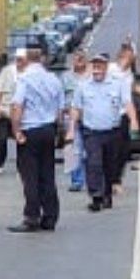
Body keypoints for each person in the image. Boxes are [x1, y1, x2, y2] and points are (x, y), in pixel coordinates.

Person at [8, 45, 64, 232]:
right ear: (42, 59)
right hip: (48, 129)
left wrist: (16, 130)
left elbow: (17, 106)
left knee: (30, 175)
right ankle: (50, 216)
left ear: (26, 60)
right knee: (47, 173)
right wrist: (57, 130)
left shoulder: (24, 79)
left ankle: (32, 216)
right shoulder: (53, 79)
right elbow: (60, 110)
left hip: (30, 130)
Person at [71, 52, 136, 210]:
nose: (97, 70)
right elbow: (76, 108)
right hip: (92, 131)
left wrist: (134, 121)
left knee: (109, 165)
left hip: (112, 131)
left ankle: (107, 195)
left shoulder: (117, 84)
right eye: (95, 66)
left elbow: (127, 103)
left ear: (106, 67)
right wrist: (71, 129)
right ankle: (96, 196)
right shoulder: (83, 85)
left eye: (100, 66)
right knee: (93, 163)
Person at [0, 49, 26, 174]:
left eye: (22, 60)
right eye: (18, 59)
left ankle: (22, 164)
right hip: (5, 109)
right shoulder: (6, 71)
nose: (19, 62)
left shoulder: (28, 72)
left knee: (21, 139)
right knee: (2, 139)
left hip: (22, 111)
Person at [109, 43, 137, 193]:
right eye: (128, 56)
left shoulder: (129, 75)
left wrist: (133, 120)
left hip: (123, 114)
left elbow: (129, 97)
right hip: (109, 114)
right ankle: (112, 180)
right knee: (111, 149)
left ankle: (116, 178)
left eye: (131, 57)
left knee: (124, 150)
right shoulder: (111, 69)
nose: (130, 60)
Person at [61, 50, 89, 191]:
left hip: (89, 117)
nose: (79, 60)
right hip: (70, 118)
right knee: (73, 150)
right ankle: (76, 181)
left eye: (82, 58)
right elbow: (60, 97)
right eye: (77, 58)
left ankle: (91, 179)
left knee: (89, 150)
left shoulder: (91, 76)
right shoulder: (65, 77)